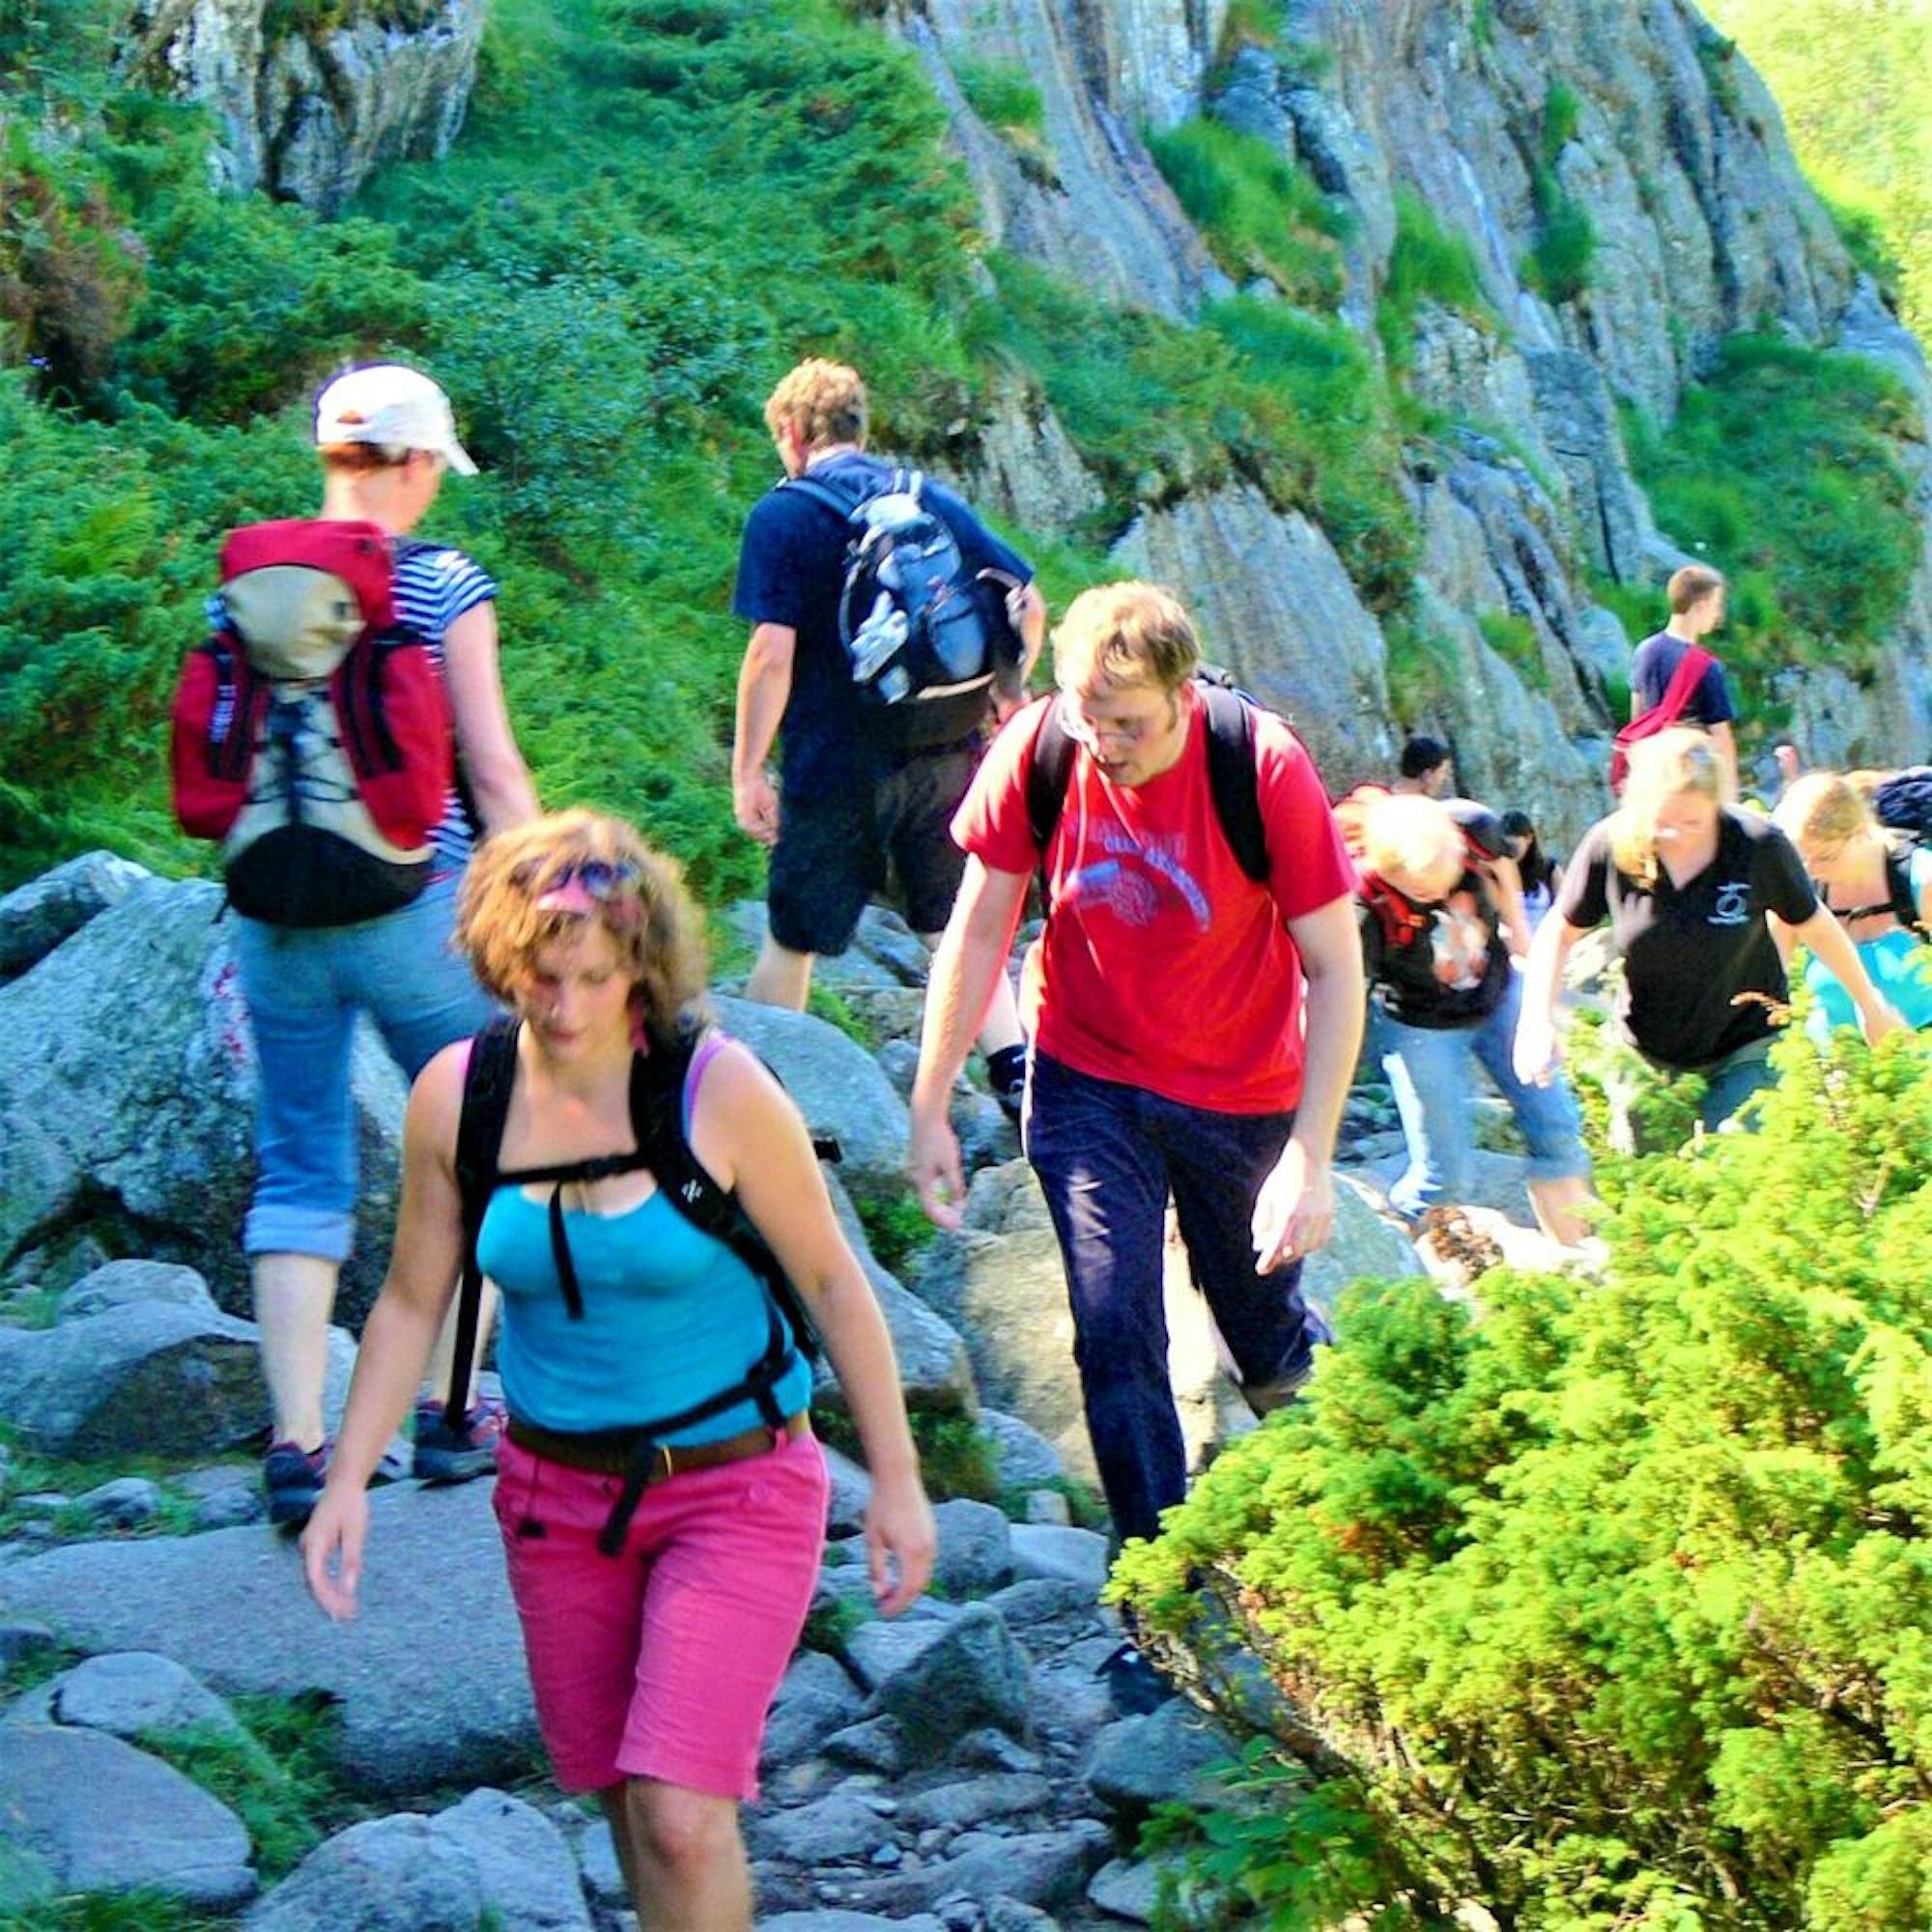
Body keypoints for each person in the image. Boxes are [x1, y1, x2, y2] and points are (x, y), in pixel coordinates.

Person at [303, 810, 935, 1932]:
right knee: (618, 1801)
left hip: (736, 1482)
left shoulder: (720, 1090)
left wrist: (895, 1479)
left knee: (680, 1812)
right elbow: (410, 1296)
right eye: (538, 977)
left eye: (592, 976)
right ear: (503, 962)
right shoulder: (460, 1095)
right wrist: (348, 1477)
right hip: (554, 1497)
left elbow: (837, 1286)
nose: (564, 1006)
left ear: (639, 967)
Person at [908, 582, 1363, 1592]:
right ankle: (1159, 1583)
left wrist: (1311, 1156)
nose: (1103, 740)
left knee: (1263, 1331)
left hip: (1237, 1084)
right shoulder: (1041, 748)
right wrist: (930, 1098)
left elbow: (1334, 968)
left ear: (1183, 697)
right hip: (1086, 1072)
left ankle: (1358, 1501)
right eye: (1086, 713)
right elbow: (979, 925)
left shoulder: (1260, 764)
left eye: (1128, 723)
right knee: (1113, 1326)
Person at [234, 363, 540, 1525]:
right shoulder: (443, 580)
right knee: (482, 1148)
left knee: (300, 1164)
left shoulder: (248, 583)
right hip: (422, 911)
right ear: (412, 464)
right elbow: (494, 769)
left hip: (275, 918)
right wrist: (549, 901)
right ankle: (453, 1413)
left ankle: (299, 1443)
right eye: (430, 468)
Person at [729, 358, 1046, 1119]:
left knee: (794, 935)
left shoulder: (785, 515)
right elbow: (1027, 603)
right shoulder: (923, 498)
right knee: (953, 926)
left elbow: (771, 656)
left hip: (837, 764)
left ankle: (762, 1098)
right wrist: (1007, 692)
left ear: (793, 433)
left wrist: (747, 770)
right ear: (858, 430)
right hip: (946, 754)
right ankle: (1017, 1072)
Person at [1514, 730, 1902, 1141]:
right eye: (1662, 823)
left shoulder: (1757, 846)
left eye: (1693, 822)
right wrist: (1535, 1020)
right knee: (1656, 1188)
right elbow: (1559, 931)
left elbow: (1815, 924)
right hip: (1648, 1052)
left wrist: (1869, 1004)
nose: (1676, 835)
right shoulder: (1612, 847)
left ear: (1717, 806)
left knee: (1741, 1160)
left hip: (1746, 1045)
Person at [1358, 795, 1592, 1241]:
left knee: (1558, 1128)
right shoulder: (1364, 906)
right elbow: (1344, 992)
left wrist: (1524, 948)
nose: (1438, 894)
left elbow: (1505, 868)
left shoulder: (1473, 828)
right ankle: (1399, 1242)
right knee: (1447, 1174)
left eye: (1445, 882)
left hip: (1499, 995)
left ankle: (1577, 1259)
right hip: (1422, 1026)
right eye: (1423, 890)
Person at [1772, 772, 1932, 1039]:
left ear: (1859, 832)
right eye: (1802, 861)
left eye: (1824, 857)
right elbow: (1766, 991)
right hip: (1834, 1067)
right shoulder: (1801, 892)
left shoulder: (1920, 881)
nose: (1812, 871)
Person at [1630, 564, 1738, 791]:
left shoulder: (1644, 650)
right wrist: (1729, 795)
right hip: (1691, 780)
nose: (1717, 614)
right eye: (1715, 606)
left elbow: (1637, 717)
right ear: (1700, 606)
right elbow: (1722, 740)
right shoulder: (1706, 666)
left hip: (1654, 773)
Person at [1499, 809, 1562, 933]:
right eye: (1505, 847)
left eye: (1514, 847)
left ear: (1529, 838)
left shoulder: (1549, 869)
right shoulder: (1496, 873)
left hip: (1545, 943)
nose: (1511, 853)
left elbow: (1564, 910)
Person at [1392, 734, 1453, 798]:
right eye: (1443, 772)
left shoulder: (1384, 798)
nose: (1446, 779)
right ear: (1427, 775)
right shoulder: (1425, 806)